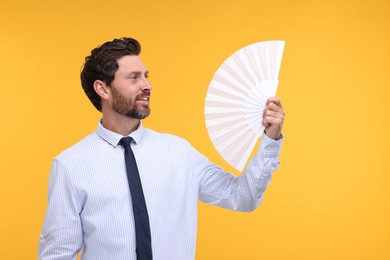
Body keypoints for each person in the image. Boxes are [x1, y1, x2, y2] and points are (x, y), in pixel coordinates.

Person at [38, 37, 285, 260]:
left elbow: (243, 197)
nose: (147, 85)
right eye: (134, 78)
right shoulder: (70, 165)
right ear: (103, 89)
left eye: (146, 75)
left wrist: (269, 140)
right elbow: (57, 254)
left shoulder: (178, 152)